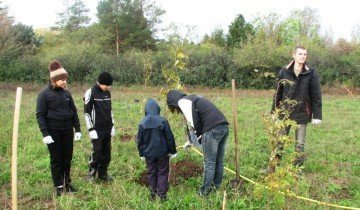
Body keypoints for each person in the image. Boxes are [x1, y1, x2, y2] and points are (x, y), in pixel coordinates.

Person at [166, 90, 229, 196]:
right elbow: (198, 118)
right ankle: (215, 189)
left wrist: (198, 139)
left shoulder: (182, 101)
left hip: (211, 129)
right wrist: (191, 140)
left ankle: (203, 193)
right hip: (223, 127)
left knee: (209, 163)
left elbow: (194, 122)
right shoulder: (193, 98)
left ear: (173, 102)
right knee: (219, 162)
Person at [36, 60, 82, 196]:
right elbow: (40, 115)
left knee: (67, 158)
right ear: (54, 80)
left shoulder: (67, 94)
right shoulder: (43, 95)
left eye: (65, 79)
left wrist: (77, 129)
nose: (65, 82)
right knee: (56, 159)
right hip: (53, 132)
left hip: (67, 131)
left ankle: (66, 182)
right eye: (62, 79)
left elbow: (73, 111)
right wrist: (45, 133)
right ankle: (59, 186)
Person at [272, 45, 322, 167]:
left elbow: (316, 95)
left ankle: (297, 169)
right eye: (300, 54)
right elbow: (278, 93)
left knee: (300, 144)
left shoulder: (311, 73)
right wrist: (274, 111)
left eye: (305, 54)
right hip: (285, 113)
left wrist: (317, 115)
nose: (303, 56)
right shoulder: (284, 71)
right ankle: (274, 166)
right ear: (294, 55)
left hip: (302, 113)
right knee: (279, 141)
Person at [136, 98, 177, 201]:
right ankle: (162, 195)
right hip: (162, 153)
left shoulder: (142, 123)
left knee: (151, 172)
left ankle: (153, 194)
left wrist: (141, 153)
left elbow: (139, 140)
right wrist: (173, 151)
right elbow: (169, 137)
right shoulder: (163, 121)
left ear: (146, 109)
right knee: (162, 172)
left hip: (149, 155)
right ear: (157, 109)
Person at [84, 72, 115, 182]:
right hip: (96, 130)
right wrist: (91, 129)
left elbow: (110, 111)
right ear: (101, 82)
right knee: (97, 152)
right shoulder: (90, 92)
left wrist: (112, 126)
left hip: (107, 128)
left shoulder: (107, 93)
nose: (108, 87)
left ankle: (103, 174)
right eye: (107, 85)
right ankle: (91, 174)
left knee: (107, 154)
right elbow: (87, 113)